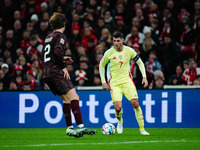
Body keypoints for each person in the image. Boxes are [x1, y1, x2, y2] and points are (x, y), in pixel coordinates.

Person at [42, 13, 96, 138]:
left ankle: (70, 128)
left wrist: (62, 59)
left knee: (66, 99)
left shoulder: (48, 36)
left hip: (46, 72)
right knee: (74, 97)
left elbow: (50, 54)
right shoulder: (61, 36)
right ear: (63, 24)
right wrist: (62, 66)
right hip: (55, 72)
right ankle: (81, 126)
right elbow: (56, 51)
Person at [99, 32, 150, 135]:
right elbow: (101, 65)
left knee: (135, 103)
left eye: (118, 41)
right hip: (114, 83)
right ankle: (120, 120)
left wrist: (144, 76)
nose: (116, 43)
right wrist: (104, 82)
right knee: (118, 108)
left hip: (127, 81)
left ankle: (142, 129)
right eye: (114, 41)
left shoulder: (129, 51)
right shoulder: (109, 53)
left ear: (122, 40)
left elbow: (140, 62)